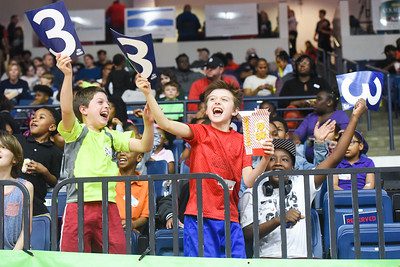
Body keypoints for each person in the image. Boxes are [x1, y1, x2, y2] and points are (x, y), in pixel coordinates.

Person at [136, 76, 275, 258]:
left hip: (230, 218)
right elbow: (165, 123)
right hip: (199, 216)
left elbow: (248, 180)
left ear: (235, 111)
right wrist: (148, 93)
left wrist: (265, 159)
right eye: (212, 99)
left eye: (224, 99)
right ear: (207, 110)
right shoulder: (200, 132)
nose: (217, 101)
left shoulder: (243, 140)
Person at [239, 99, 367, 258]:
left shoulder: (303, 183)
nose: (278, 163)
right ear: (263, 164)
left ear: (293, 167)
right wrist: (278, 220)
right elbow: (247, 233)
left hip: (302, 259)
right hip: (267, 260)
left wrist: (354, 117)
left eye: (285, 159)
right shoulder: (252, 191)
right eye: (271, 159)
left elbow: (336, 157)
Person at [55, 54, 154, 253]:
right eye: (100, 102)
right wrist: (67, 76)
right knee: (73, 258)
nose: (106, 106)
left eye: (107, 103)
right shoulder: (77, 131)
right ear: (83, 109)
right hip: (78, 203)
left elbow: (144, 145)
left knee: (118, 254)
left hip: (109, 206)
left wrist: (148, 123)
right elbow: (66, 110)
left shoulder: (111, 136)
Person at [16, 107, 62, 216]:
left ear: (52, 127)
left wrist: (44, 171)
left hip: (36, 201)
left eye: (41, 117)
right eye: (33, 117)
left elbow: (54, 181)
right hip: (13, 197)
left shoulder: (55, 152)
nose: (34, 120)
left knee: (46, 222)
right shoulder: (19, 141)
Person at [293, 88, 349, 163]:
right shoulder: (310, 116)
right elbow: (297, 134)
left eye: (318, 99)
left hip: (332, 156)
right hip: (308, 156)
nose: (314, 101)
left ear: (329, 102)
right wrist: (296, 140)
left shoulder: (340, 115)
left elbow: (345, 136)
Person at [0, 131, 34, 250]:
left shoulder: (25, 187)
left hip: (15, 253)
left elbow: (26, 228)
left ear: (15, 159)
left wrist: (13, 256)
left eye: (3, 147)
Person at [115, 150, 149, 233]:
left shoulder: (145, 183)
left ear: (139, 157)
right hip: (109, 228)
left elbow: (145, 216)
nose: (121, 153)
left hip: (131, 231)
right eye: (119, 151)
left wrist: (133, 224)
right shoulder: (108, 178)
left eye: (127, 151)